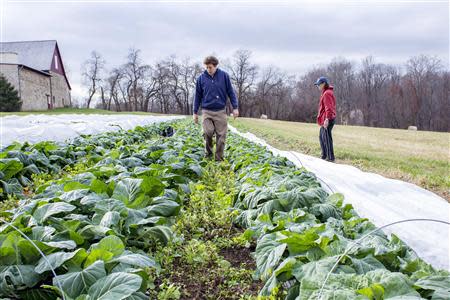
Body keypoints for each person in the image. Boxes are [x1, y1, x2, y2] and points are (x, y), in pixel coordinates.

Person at [193, 55, 239, 161]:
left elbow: (231, 92)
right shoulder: (201, 79)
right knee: (207, 132)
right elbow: (197, 96)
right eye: (206, 67)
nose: (208, 69)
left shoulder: (224, 76)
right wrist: (195, 112)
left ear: (215, 66)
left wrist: (235, 107)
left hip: (220, 111)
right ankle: (208, 153)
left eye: (210, 67)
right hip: (206, 111)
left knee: (221, 136)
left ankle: (219, 159)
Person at [315, 76, 336, 162]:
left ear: (324, 84)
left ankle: (330, 158)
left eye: (319, 84)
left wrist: (327, 119)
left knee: (326, 138)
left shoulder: (327, 93)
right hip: (325, 119)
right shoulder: (325, 92)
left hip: (328, 119)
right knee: (322, 136)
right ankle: (324, 155)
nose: (318, 86)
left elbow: (329, 107)